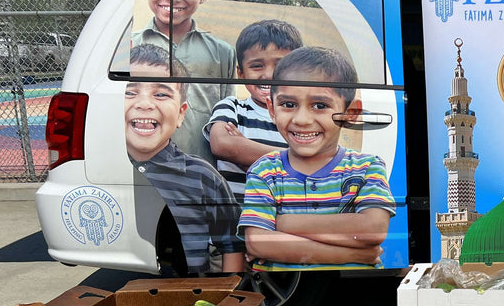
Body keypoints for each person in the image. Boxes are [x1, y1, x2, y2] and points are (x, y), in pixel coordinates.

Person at [238, 46, 395, 270]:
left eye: (320, 105)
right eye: (289, 104)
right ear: (272, 109)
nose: (302, 119)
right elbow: (258, 242)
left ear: (350, 113)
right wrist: (355, 254)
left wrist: (282, 224)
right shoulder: (264, 171)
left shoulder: (367, 167)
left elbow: (372, 229)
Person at [125, 44, 244, 274]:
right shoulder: (100, 170)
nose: (144, 103)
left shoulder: (203, 177)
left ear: (181, 113)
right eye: (130, 92)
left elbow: (233, 245)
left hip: (192, 297)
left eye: (160, 94)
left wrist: (226, 298)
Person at [131, 0, 236, 165]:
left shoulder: (222, 53)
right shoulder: (128, 48)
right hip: (143, 168)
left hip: (203, 170)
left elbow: (228, 116)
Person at [204, 19, 303, 203]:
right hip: (237, 216)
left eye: (280, 66)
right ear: (240, 73)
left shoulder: (302, 117)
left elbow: (313, 162)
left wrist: (243, 149)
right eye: (257, 65)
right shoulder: (232, 107)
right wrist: (292, 158)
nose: (268, 75)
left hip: (287, 214)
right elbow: (222, 144)